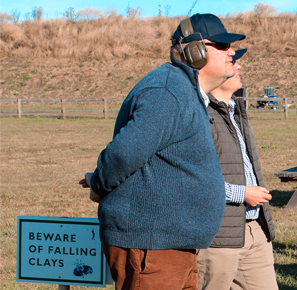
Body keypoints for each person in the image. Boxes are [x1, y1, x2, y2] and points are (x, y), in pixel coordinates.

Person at [78, 13, 242, 290]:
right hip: (151, 248)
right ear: (195, 50)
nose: (232, 52)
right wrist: (97, 183)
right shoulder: (168, 91)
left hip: (170, 246)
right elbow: (123, 154)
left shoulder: (184, 90)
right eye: (223, 46)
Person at [196, 49, 278, 290]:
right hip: (218, 236)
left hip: (254, 227)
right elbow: (190, 179)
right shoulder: (198, 114)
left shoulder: (236, 109)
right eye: (233, 62)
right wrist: (241, 194)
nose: (238, 67)